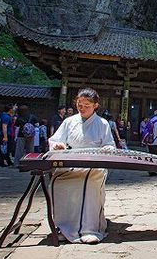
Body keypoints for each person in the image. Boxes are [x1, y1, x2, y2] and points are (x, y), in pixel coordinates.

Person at [47, 88, 115, 244]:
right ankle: (65, 227)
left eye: (87, 105)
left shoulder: (102, 123)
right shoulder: (69, 122)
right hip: (70, 162)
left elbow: (110, 144)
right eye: (79, 104)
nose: (82, 108)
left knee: (90, 184)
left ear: (95, 105)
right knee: (58, 183)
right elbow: (56, 140)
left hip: (94, 164)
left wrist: (107, 149)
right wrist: (58, 145)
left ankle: (90, 228)